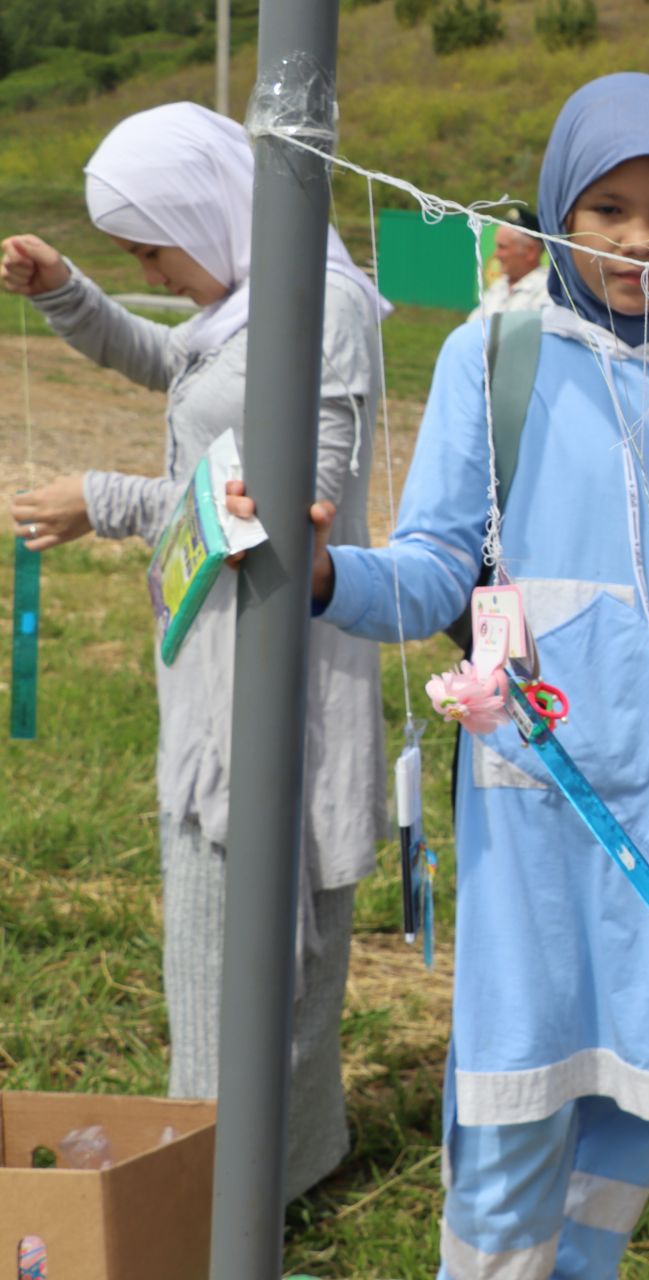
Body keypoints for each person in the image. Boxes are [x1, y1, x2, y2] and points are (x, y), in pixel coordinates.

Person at [234, 74, 649, 1278]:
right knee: (515, 1104)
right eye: (606, 207)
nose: (641, 238)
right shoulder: (498, 351)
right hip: (533, 803)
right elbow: (438, 565)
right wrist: (335, 575)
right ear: (557, 213)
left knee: (645, 1103)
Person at [2, 102, 386, 1200]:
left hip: (281, 665)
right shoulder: (247, 309)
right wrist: (67, 289)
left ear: (211, 207)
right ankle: (259, 1175)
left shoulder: (328, 312)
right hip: (220, 657)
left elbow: (289, 500)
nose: (156, 271)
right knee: (226, 950)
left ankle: (232, 1198)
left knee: (263, 946)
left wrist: (107, 500)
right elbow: (174, 361)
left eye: (151, 248)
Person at [468, 207, 548, 319]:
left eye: (503, 247)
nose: (496, 255)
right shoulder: (499, 286)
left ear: (531, 252)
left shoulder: (548, 291)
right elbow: (472, 325)